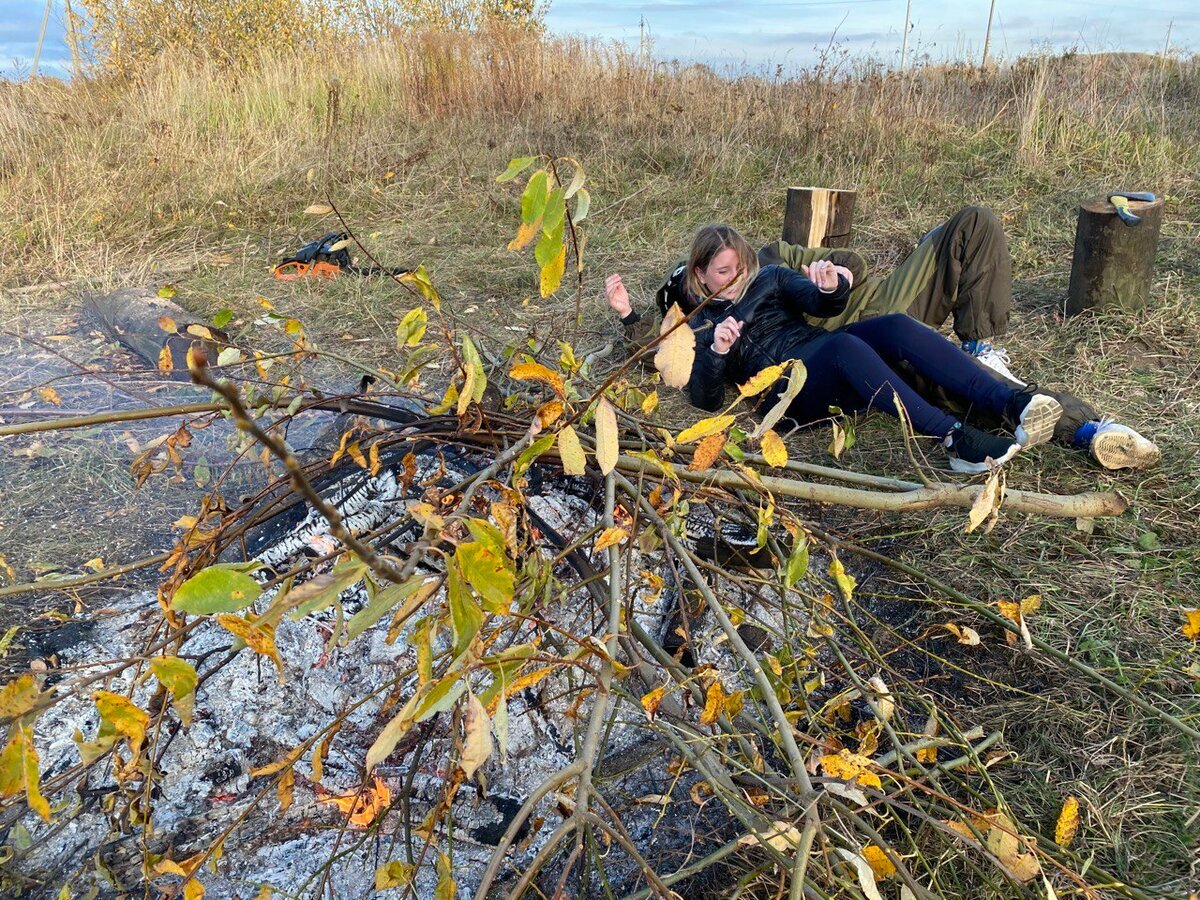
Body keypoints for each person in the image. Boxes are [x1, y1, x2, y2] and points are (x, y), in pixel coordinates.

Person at [610, 206, 1159, 471]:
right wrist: (718, 350)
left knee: (894, 329)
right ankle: (954, 440)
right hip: (788, 392)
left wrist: (831, 285)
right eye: (721, 270)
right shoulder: (698, 323)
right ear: (701, 274)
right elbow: (701, 394)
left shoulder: (772, 278)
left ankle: (1016, 401)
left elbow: (823, 303)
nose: (734, 275)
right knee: (848, 346)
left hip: (823, 350)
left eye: (738, 264)